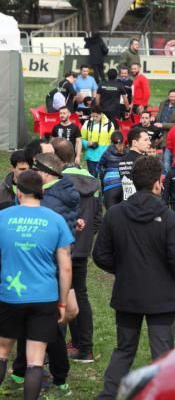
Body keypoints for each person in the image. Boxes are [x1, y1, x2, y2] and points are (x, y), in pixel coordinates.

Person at [93, 156, 175, 400]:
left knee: (124, 351)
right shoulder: (169, 218)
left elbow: (101, 255)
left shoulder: (118, 214)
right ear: (158, 183)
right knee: (162, 356)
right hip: (160, 296)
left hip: (132, 294)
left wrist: (124, 271)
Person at [0, 170, 73, 400]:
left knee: (2, 352)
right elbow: (65, 267)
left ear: (18, 191)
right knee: (35, 361)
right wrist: (63, 301)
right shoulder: (55, 220)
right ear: (42, 191)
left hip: (9, 295)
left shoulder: (3, 217)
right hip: (44, 297)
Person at [52, 138, 102, 363]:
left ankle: (57, 348)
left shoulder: (57, 181)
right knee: (80, 293)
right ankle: (84, 348)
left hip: (62, 247)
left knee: (60, 296)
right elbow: (99, 216)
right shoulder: (93, 180)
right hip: (83, 247)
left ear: (57, 158)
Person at [118, 126, 152, 201]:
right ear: (134, 142)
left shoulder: (122, 160)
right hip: (142, 202)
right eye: (145, 140)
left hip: (127, 202)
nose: (149, 143)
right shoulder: (144, 160)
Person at [80, 106, 114, 177]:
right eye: (93, 116)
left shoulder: (110, 125)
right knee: (92, 178)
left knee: (104, 178)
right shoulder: (87, 123)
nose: (94, 118)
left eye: (96, 116)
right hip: (91, 156)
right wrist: (87, 143)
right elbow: (81, 138)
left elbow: (112, 142)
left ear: (101, 114)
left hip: (104, 156)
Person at [98, 131, 127, 209]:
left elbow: (98, 167)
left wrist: (104, 173)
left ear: (111, 141)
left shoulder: (107, 153)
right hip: (125, 185)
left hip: (110, 186)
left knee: (111, 214)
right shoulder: (127, 152)